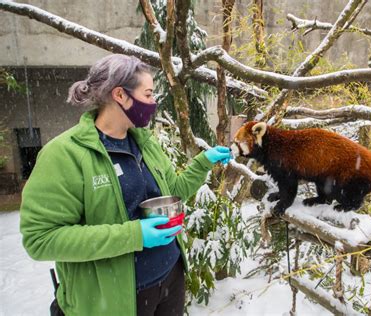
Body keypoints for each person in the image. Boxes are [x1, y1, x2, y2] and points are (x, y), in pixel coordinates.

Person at [19, 54, 232, 316]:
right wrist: (134, 236)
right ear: (120, 95)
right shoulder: (64, 154)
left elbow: (173, 192)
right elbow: (40, 239)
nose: (153, 103)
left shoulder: (143, 142)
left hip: (170, 280)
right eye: (149, 94)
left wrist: (203, 162)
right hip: (114, 300)